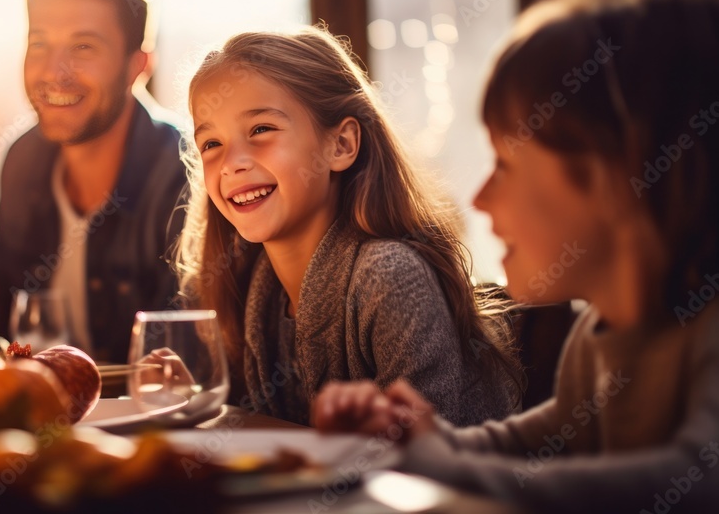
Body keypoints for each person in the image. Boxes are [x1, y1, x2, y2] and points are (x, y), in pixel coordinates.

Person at [311, 0, 719, 512]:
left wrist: (446, 466)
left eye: (506, 164)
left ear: (617, 178)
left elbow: (696, 483)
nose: (481, 197)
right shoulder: (595, 335)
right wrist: (415, 440)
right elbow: (529, 442)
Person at [175, 27, 522, 426]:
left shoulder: (390, 277)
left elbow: (421, 465)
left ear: (340, 145)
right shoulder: (253, 286)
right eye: (211, 144)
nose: (232, 161)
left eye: (261, 130)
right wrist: (192, 398)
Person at [0, 0, 186, 364]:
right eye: (40, 44)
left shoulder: (186, 174)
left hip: (143, 423)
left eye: (83, 47)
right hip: (32, 418)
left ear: (139, 65)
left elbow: (187, 359)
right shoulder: (24, 160)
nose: (54, 72)